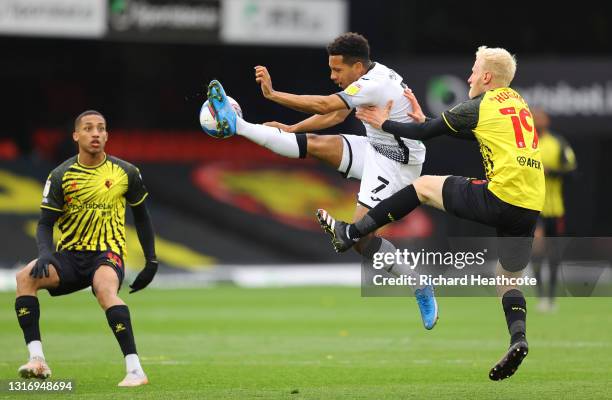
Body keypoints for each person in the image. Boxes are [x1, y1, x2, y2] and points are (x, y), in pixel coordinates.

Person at [316, 46, 544, 381]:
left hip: (501, 196)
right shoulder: (517, 103)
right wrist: (428, 122)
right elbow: (473, 131)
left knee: (422, 186)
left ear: (485, 77)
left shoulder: (483, 104)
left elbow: (424, 134)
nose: (468, 76)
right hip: (529, 206)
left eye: (473, 69)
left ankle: (351, 232)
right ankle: (519, 339)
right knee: (507, 280)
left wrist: (386, 122)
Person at [207, 32, 438, 330]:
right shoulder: (369, 76)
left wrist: (273, 95)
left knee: (361, 239)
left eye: (337, 70)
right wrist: (291, 129)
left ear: (357, 66)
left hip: (398, 166)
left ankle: (420, 285)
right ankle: (239, 126)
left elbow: (326, 105)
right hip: (374, 149)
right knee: (313, 143)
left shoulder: (376, 83)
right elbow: (334, 115)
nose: (332, 75)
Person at [14, 110, 158, 387]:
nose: (95, 133)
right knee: (24, 277)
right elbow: (45, 224)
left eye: (101, 128)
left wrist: (151, 261)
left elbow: (142, 216)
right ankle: (37, 360)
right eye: (89, 128)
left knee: (105, 289)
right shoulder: (61, 175)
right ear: (76, 135)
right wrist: (45, 253)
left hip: (107, 253)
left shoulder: (126, 172)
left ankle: (135, 370)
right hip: (69, 256)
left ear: (107, 135)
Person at [530, 108, 577, 312]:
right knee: (537, 249)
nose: (537, 120)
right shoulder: (524, 144)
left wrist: (551, 172)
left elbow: (572, 171)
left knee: (554, 255)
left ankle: (551, 297)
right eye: (534, 117)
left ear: (547, 120)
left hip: (555, 209)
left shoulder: (558, 143)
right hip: (533, 208)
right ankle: (541, 296)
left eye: (540, 117)